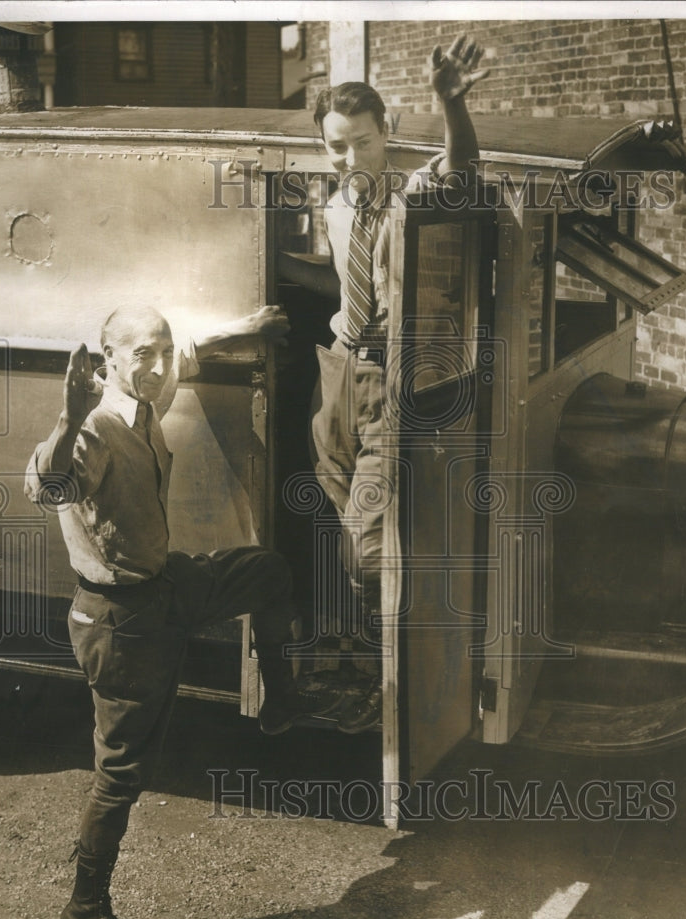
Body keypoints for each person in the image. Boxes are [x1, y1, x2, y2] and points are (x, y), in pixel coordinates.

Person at [25, 303, 334, 919]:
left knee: (266, 571)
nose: (159, 365)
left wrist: (243, 325)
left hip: (166, 587)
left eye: (161, 351)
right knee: (121, 775)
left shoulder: (146, 396)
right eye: (143, 353)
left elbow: (186, 349)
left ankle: (279, 700)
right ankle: (84, 910)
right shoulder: (96, 427)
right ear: (109, 361)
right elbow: (48, 484)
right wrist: (67, 415)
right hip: (120, 620)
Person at [282, 35, 489, 733]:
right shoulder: (335, 203)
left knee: (371, 548)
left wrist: (450, 103)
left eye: (361, 143)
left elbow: (463, 168)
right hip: (336, 374)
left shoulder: (416, 193)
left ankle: (396, 686)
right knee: (342, 528)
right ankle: (364, 671)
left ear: (387, 136)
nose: (348, 159)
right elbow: (343, 280)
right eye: (335, 146)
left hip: (392, 379)